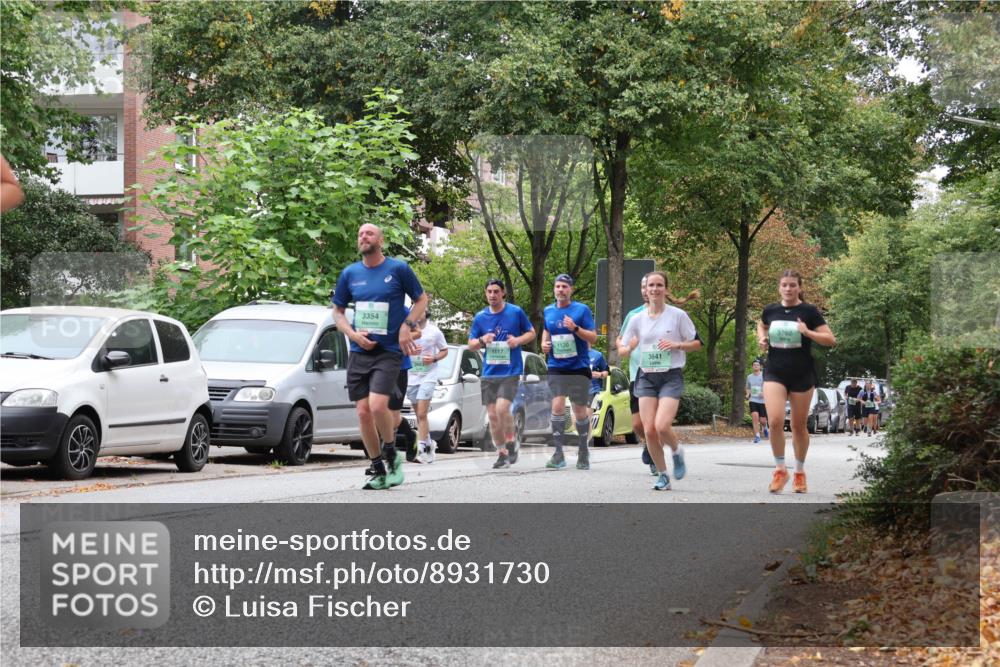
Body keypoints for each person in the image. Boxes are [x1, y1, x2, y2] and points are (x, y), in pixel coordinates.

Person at [333, 223, 427, 490]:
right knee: (363, 412)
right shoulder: (350, 273)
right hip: (360, 351)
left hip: (389, 352)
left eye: (369, 233)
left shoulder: (398, 269)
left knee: (377, 406)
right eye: (360, 234)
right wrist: (353, 335)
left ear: (381, 240)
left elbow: (421, 300)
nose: (363, 236)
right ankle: (377, 468)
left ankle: (391, 455)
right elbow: (338, 312)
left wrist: (407, 326)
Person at [618, 271, 701, 491]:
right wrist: (627, 348)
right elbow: (622, 348)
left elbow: (696, 343)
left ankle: (677, 451)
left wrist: (677, 345)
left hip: (670, 375)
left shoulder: (678, 315)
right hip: (646, 375)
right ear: (645, 290)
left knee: (662, 426)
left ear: (666, 289)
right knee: (649, 431)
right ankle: (663, 475)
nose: (654, 289)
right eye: (651, 285)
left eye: (659, 285)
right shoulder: (637, 318)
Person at [758, 270, 836, 494]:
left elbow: (830, 339)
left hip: (802, 373)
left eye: (792, 285)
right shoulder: (771, 310)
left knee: (798, 426)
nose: (788, 289)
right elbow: (761, 324)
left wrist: (807, 332)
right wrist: (762, 338)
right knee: (774, 421)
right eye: (784, 285)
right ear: (779, 287)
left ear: (799, 288)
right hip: (775, 371)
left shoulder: (809, 311)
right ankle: (780, 470)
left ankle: (799, 472)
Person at [468, 279, 536, 469]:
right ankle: (502, 453)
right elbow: (471, 345)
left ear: (503, 293)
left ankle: (511, 440)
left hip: (510, 371)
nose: (492, 295)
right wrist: (482, 340)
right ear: (485, 293)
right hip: (489, 372)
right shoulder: (480, 317)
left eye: (496, 291)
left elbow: (531, 333)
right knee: (492, 416)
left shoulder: (515, 312)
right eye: (489, 291)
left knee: (502, 409)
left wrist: (517, 341)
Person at [540, 274, 597, 470]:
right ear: (554, 289)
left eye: (564, 286)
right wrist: (544, 344)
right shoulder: (548, 310)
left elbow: (593, 337)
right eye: (558, 286)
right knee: (557, 406)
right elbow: (547, 330)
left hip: (578, 367)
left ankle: (583, 449)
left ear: (570, 289)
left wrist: (575, 328)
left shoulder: (582, 310)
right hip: (556, 366)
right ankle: (558, 453)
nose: (560, 290)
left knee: (579, 411)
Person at [617, 275, 653, 474]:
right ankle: (648, 442)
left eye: (649, 286)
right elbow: (620, 341)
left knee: (653, 423)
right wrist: (627, 347)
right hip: (636, 375)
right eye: (643, 287)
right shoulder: (634, 315)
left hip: (660, 375)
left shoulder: (669, 315)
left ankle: (656, 457)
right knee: (637, 424)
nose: (646, 290)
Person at [407, 312, 448, 463]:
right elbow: (400, 348)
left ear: (427, 312)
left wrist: (434, 358)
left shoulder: (435, 331)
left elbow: (444, 350)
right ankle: (429, 443)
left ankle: (422, 449)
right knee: (419, 415)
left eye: (422, 309)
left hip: (428, 376)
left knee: (422, 413)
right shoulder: (407, 330)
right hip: (412, 376)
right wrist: (410, 351)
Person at [746, 359, 768, 443]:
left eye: (757, 365)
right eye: (754, 365)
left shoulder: (764, 376)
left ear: (760, 367)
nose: (756, 366)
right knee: (755, 417)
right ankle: (757, 436)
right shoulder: (749, 377)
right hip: (753, 400)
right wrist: (748, 394)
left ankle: (765, 427)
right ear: (752, 366)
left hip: (762, 401)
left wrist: (764, 392)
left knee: (762, 420)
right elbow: (748, 388)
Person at [587, 345, 610, 415]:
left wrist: (600, 374)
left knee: (586, 417)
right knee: (576, 417)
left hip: (593, 390)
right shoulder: (574, 355)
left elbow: (606, 371)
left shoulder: (598, 355)